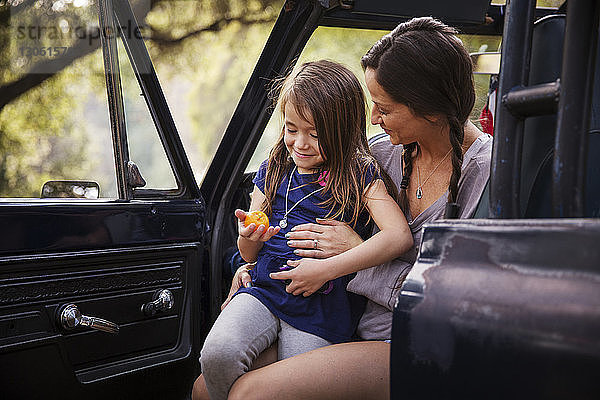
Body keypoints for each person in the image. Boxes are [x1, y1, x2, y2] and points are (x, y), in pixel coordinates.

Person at [197, 60, 413, 400]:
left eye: (315, 134)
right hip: (265, 292)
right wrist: (247, 237)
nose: (300, 143)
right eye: (291, 129)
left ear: (343, 131)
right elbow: (249, 253)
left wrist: (324, 270)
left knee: (297, 386)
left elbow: (398, 236)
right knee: (217, 355)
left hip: (323, 308)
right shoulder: (273, 169)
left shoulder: (359, 174)